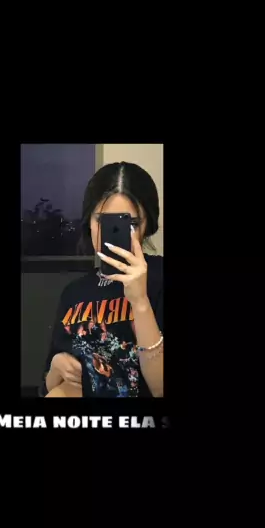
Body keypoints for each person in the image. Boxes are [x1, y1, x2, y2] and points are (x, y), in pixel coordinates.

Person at [40, 161, 163, 398]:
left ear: (147, 224)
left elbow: (160, 389)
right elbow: (47, 385)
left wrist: (140, 302)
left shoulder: (159, 278)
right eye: (103, 221)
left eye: (131, 223)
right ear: (89, 222)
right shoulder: (73, 293)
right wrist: (56, 367)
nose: (115, 233)